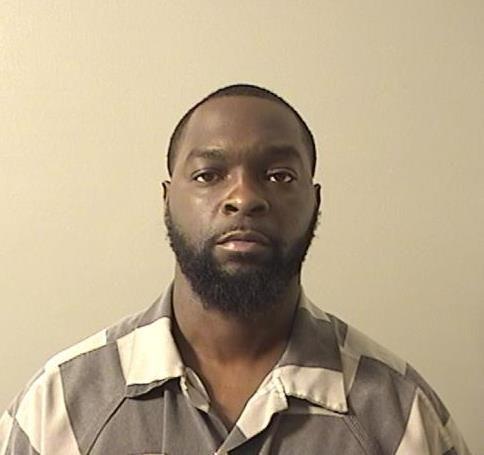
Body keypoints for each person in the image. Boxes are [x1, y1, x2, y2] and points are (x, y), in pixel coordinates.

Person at [0, 84, 471, 455]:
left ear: (315, 202)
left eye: (279, 176)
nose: (244, 197)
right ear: (167, 199)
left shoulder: (401, 416)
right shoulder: (60, 407)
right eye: (209, 175)